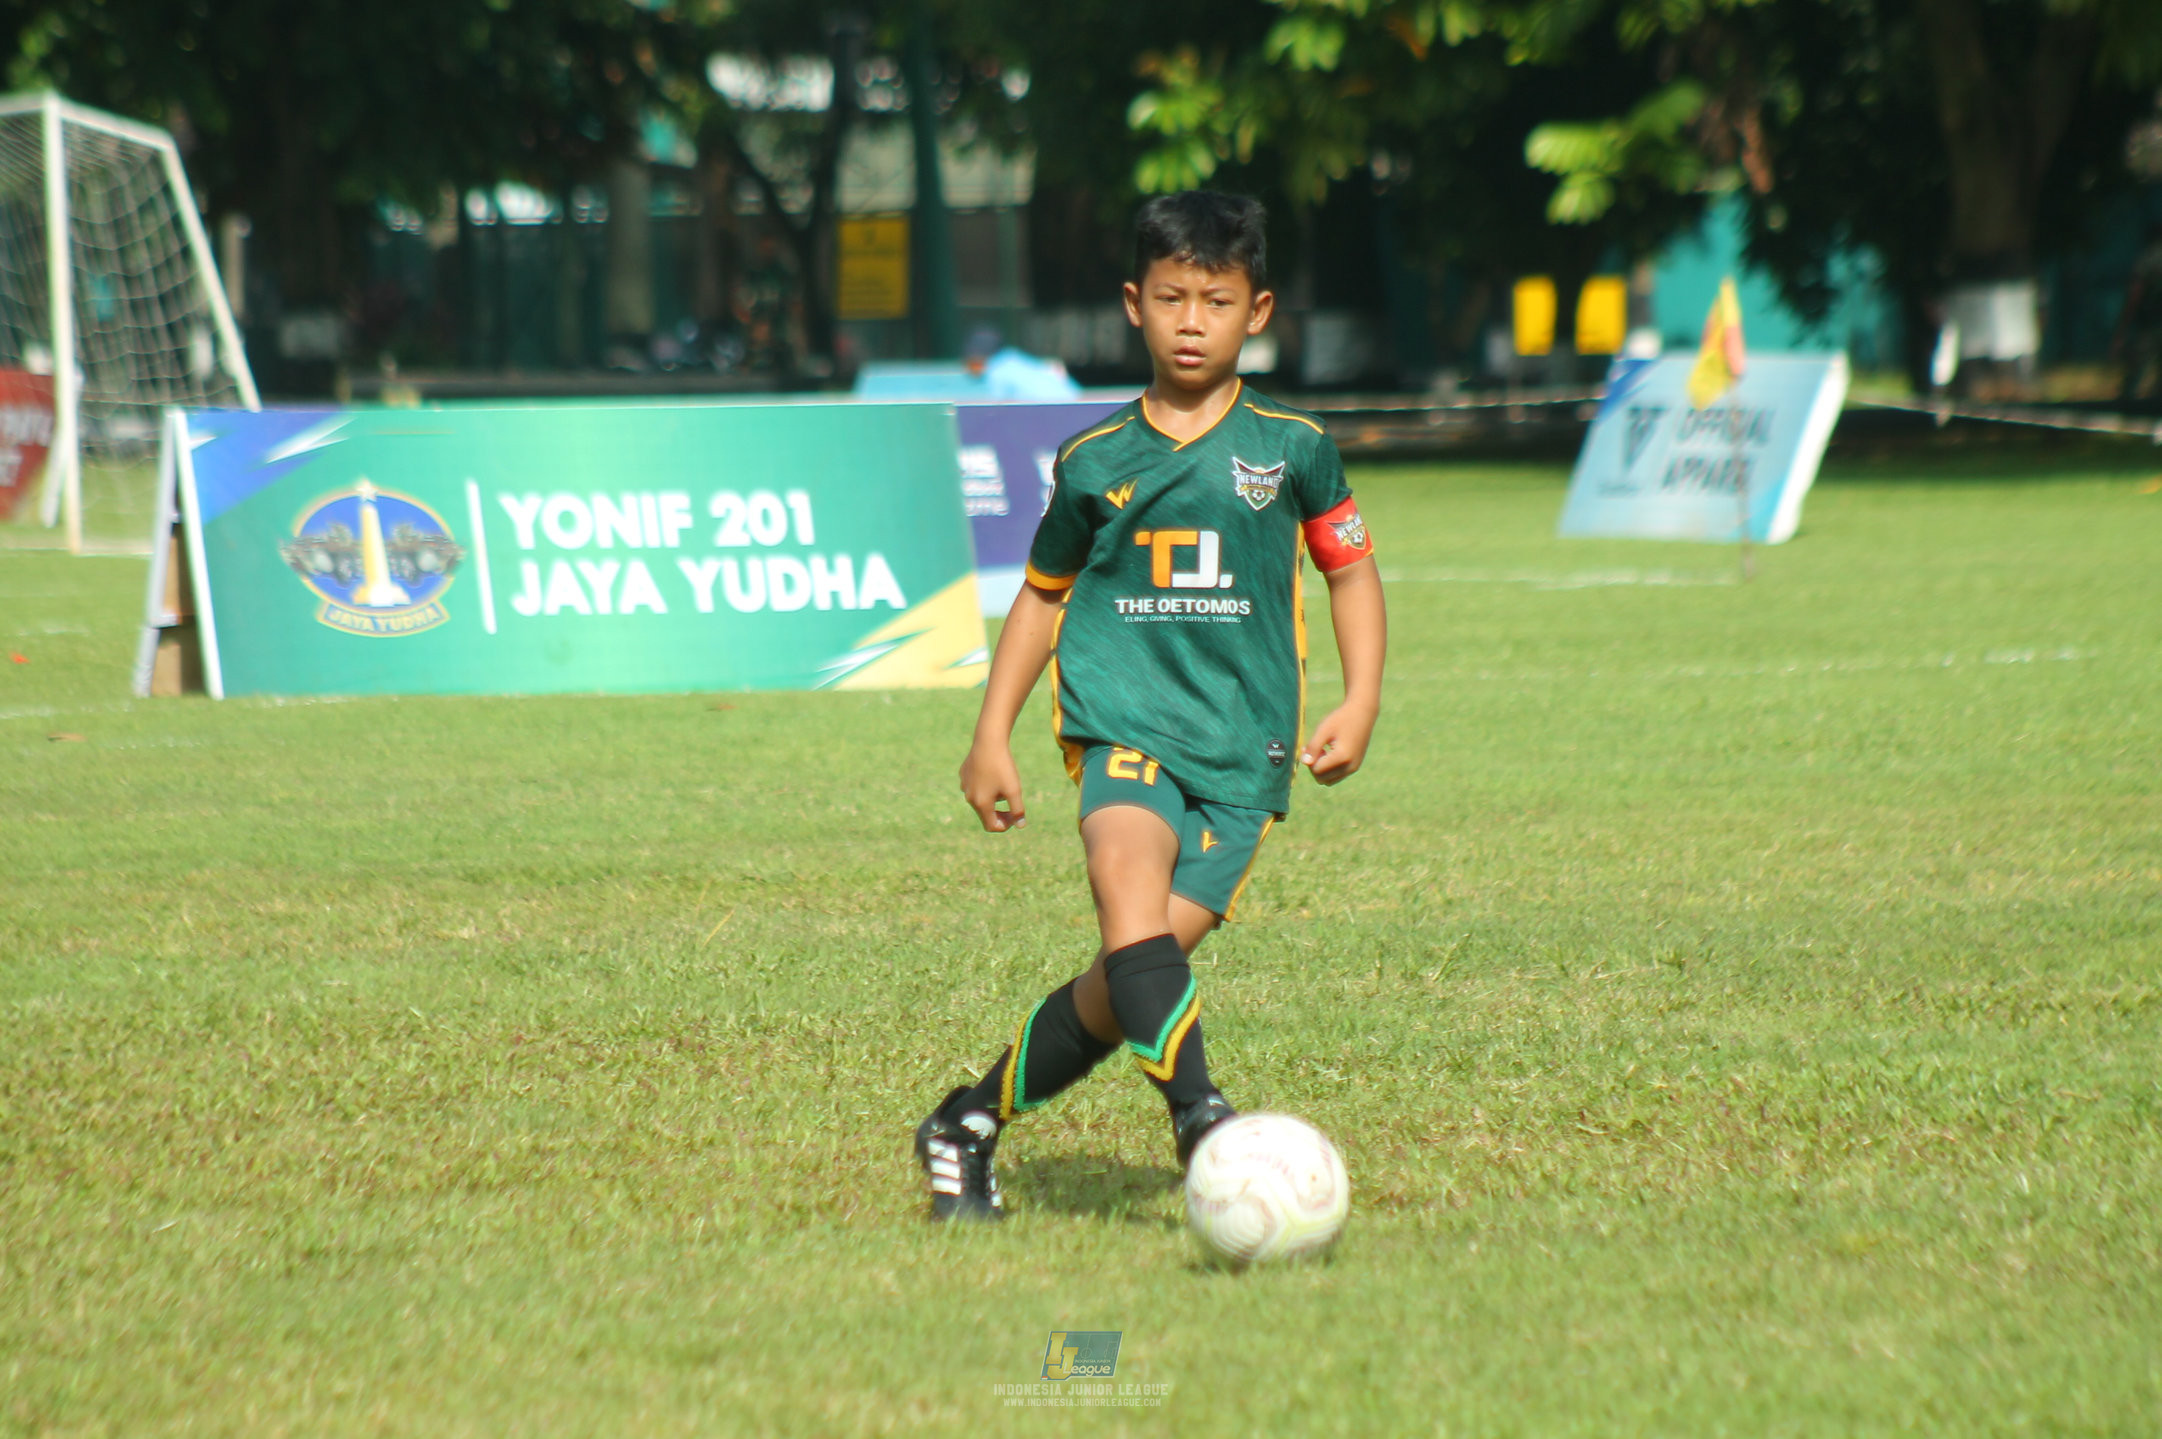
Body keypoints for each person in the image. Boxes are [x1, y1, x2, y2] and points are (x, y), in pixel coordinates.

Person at [913, 191, 1389, 1220]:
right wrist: (989, 731)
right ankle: (1202, 1118)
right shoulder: (1094, 461)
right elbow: (1041, 597)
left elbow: (1351, 573)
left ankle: (965, 1120)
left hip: (1241, 745)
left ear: (1254, 312)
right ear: (1133, 303)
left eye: (1213, 301)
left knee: (1134, 971)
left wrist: (1361, 698)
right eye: (1168, 297)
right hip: (1119, 720)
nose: (1188, 320)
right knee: (1126, 890)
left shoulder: (1295, 447)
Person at [2117, 222, 2162, 404]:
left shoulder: (2148, 257)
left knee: (2136, 371)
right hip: (2152, 322)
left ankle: (2126, 409)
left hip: (2150, 324)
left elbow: (2135, 293)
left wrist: (2123, 326)